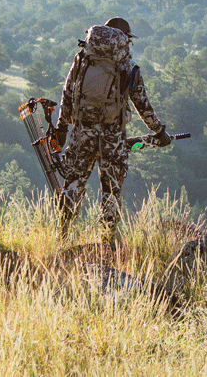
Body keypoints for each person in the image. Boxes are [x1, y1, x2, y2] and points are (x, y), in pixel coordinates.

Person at [55, 17, 171, 242]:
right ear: (123, 38)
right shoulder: (128, 66)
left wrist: (62, 127)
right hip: (112, 137)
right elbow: (142, 104)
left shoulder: (83, 58)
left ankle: (62, 235)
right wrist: (159, 131)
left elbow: (67, 92)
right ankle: (107, 241)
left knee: (73, 184)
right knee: (111, 190)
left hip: (82, 133)